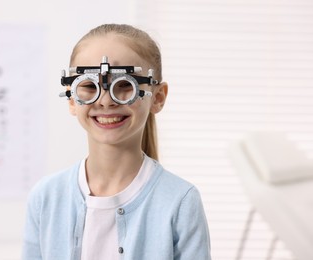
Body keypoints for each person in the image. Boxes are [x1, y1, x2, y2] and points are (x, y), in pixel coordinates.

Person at [22, 23, 211, 260]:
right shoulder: (46, 197)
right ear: (72, 99)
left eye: (124, 85)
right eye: (89, 86)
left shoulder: (180, 201)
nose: (105, 100)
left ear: (158, 97)